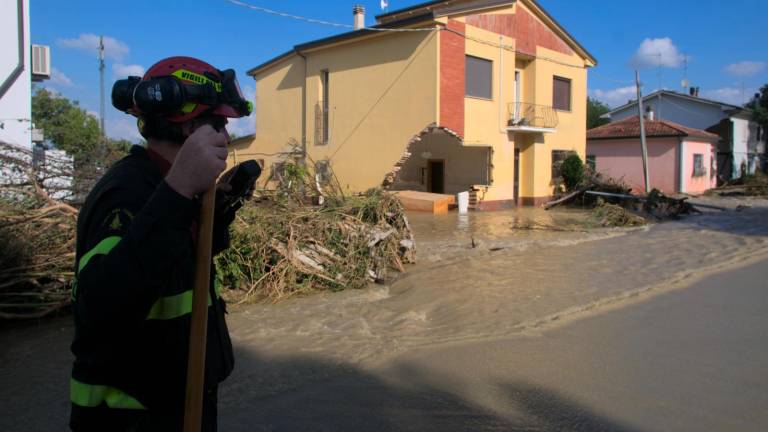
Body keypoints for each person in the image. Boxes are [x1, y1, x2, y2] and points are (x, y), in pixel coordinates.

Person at [69, 56, 255, 431]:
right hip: (131, 417)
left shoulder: (170, 189)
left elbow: (174, 269)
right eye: (218, 124)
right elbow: (102, 306)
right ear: (188, 127)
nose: (225, 138)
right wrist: (179, 190)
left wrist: (216, 212)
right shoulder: (126, 193)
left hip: (179, 405)